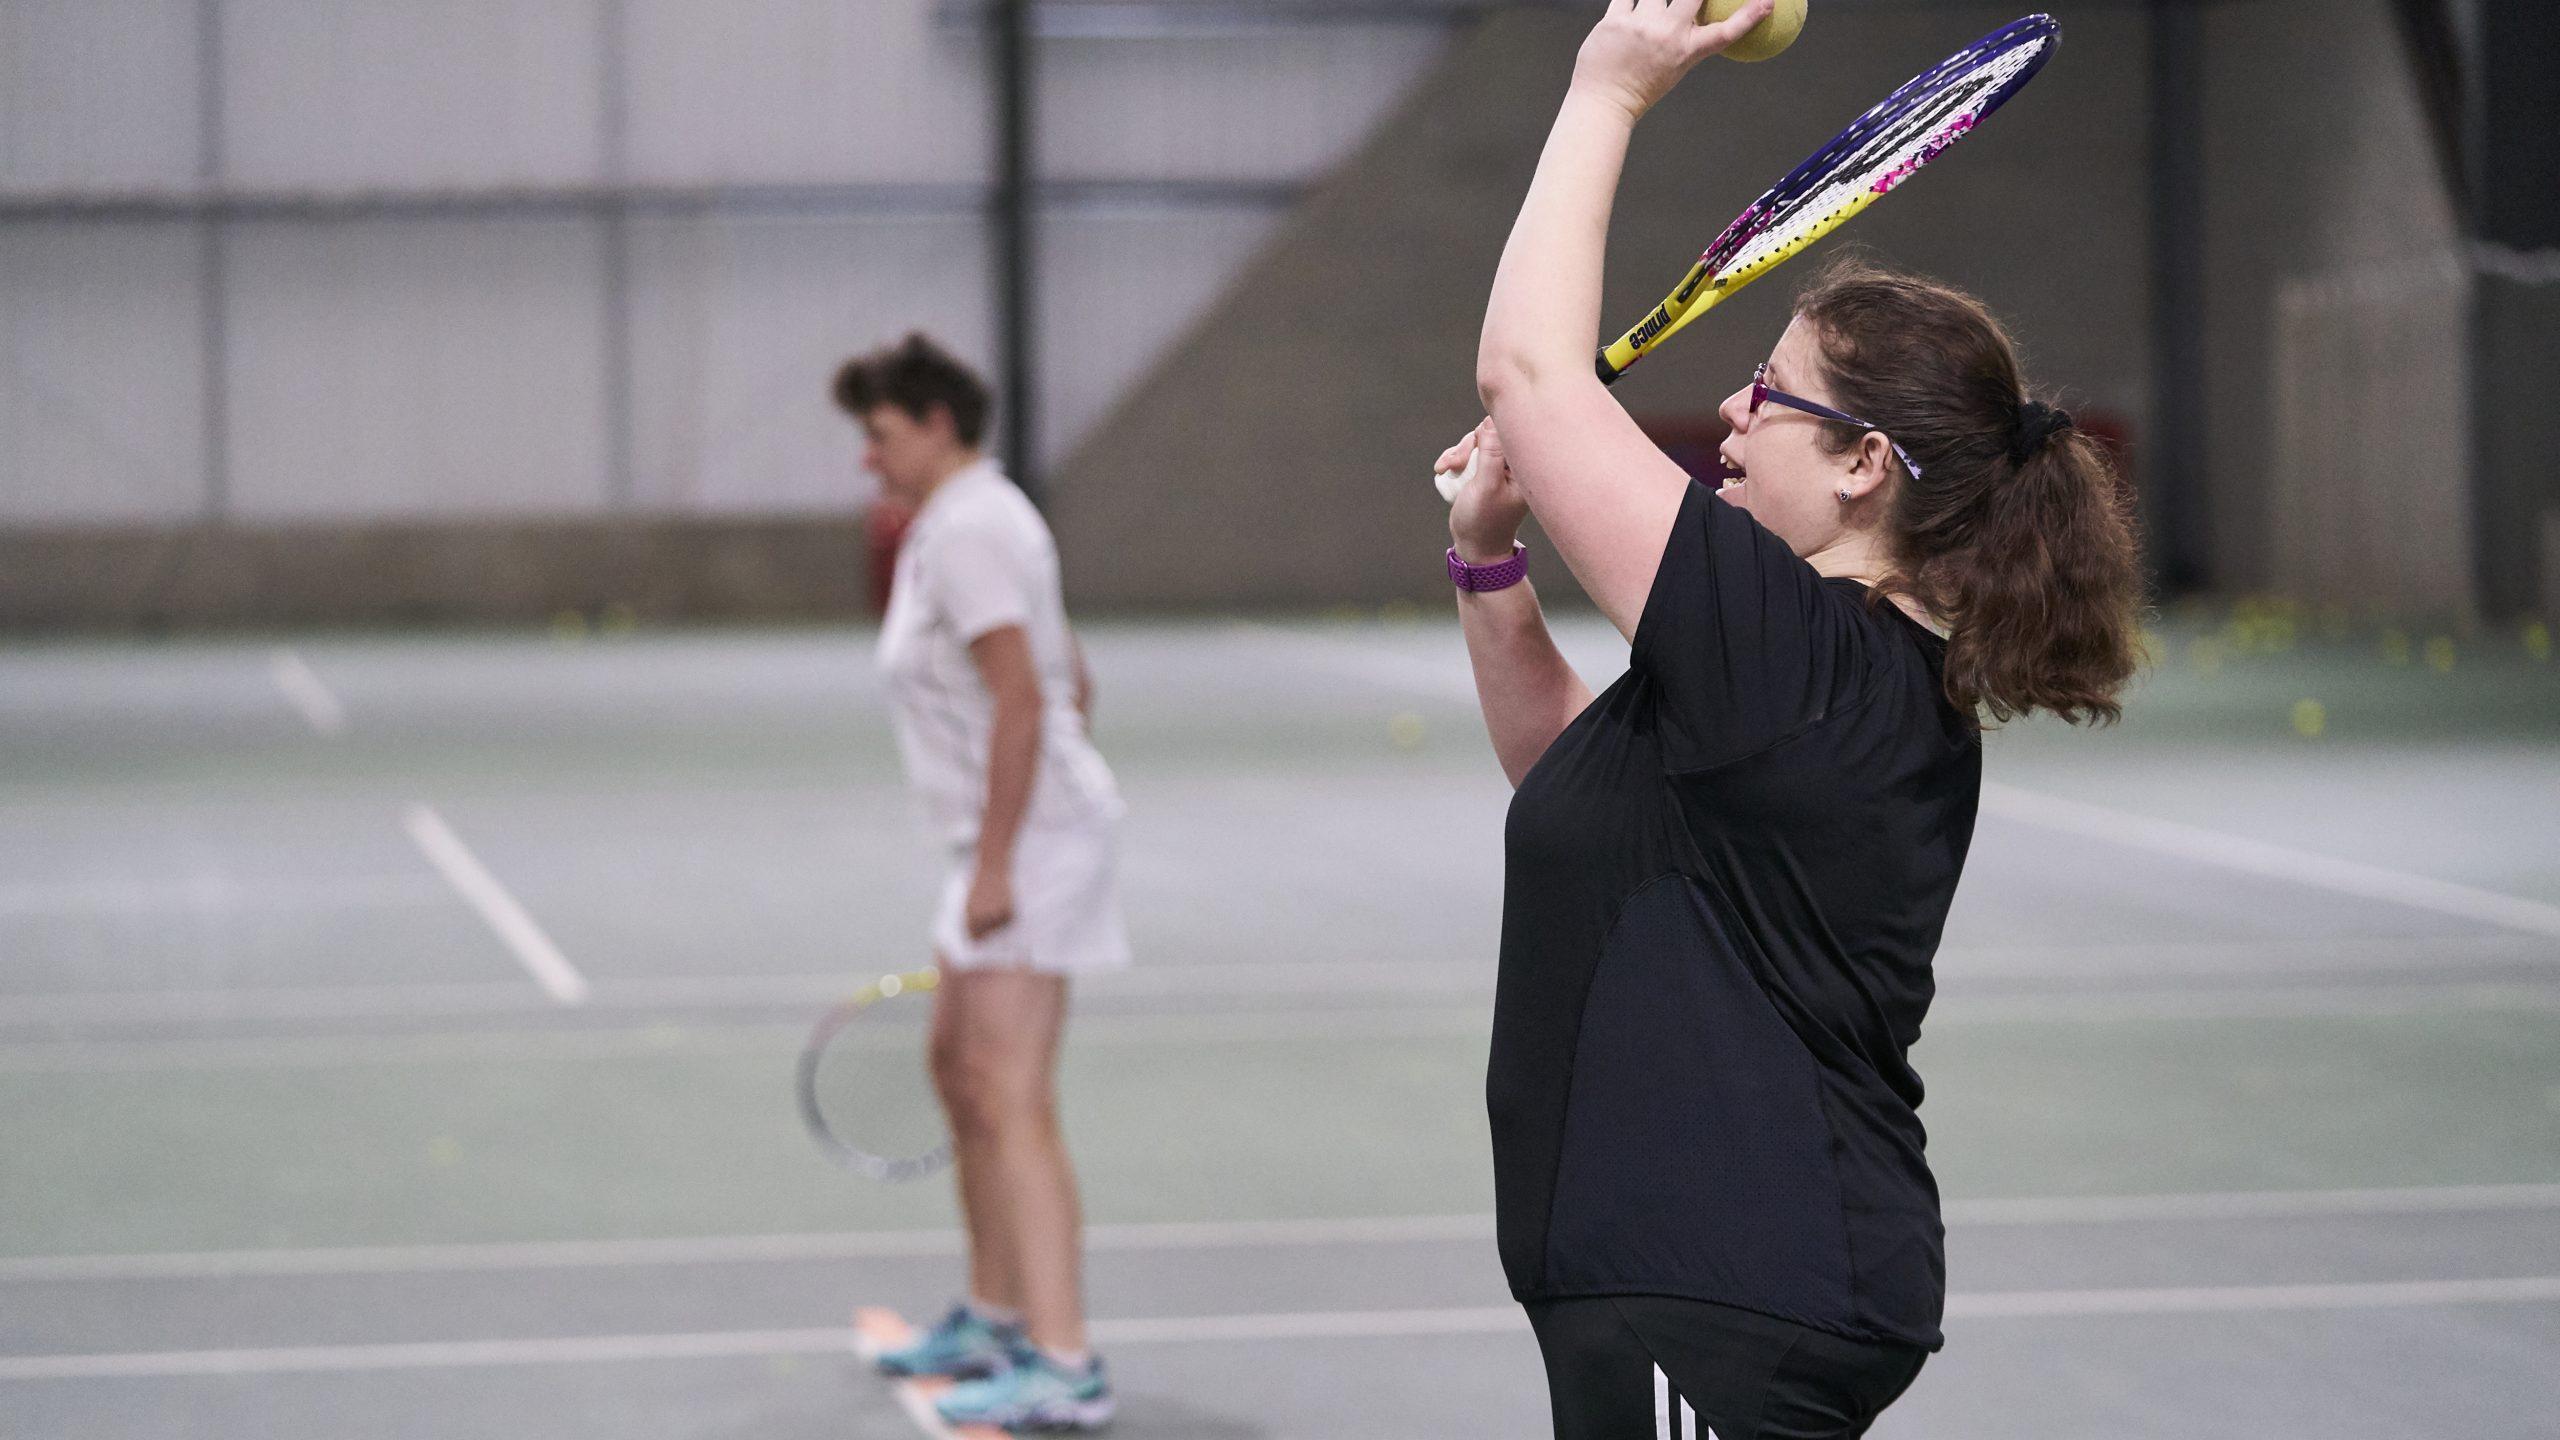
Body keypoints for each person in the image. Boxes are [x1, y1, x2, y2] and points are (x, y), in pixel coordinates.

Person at [1438, 3, 2144, 1436]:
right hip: (1709, 1285)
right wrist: (1488, 564)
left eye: (1771, 394)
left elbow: (1528, 368)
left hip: (1731, 1290)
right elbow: (1574, 783)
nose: (1731, 413)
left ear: (1866, 465)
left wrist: (1608, 89)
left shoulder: (1794, 657)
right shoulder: (1802, 669)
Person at [835, 333, 1126, 1432]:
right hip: (998, 842)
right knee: (958, 1074)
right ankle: (993, 1317)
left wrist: (1011, 854)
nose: (868, 459)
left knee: (1010, 1099)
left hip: (1023, 851)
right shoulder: (951, 528)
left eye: (879, 434)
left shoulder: (972, 530)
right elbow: (1068, 673)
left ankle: (1066, 1365)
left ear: (936, 423)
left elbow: (1019, 698)